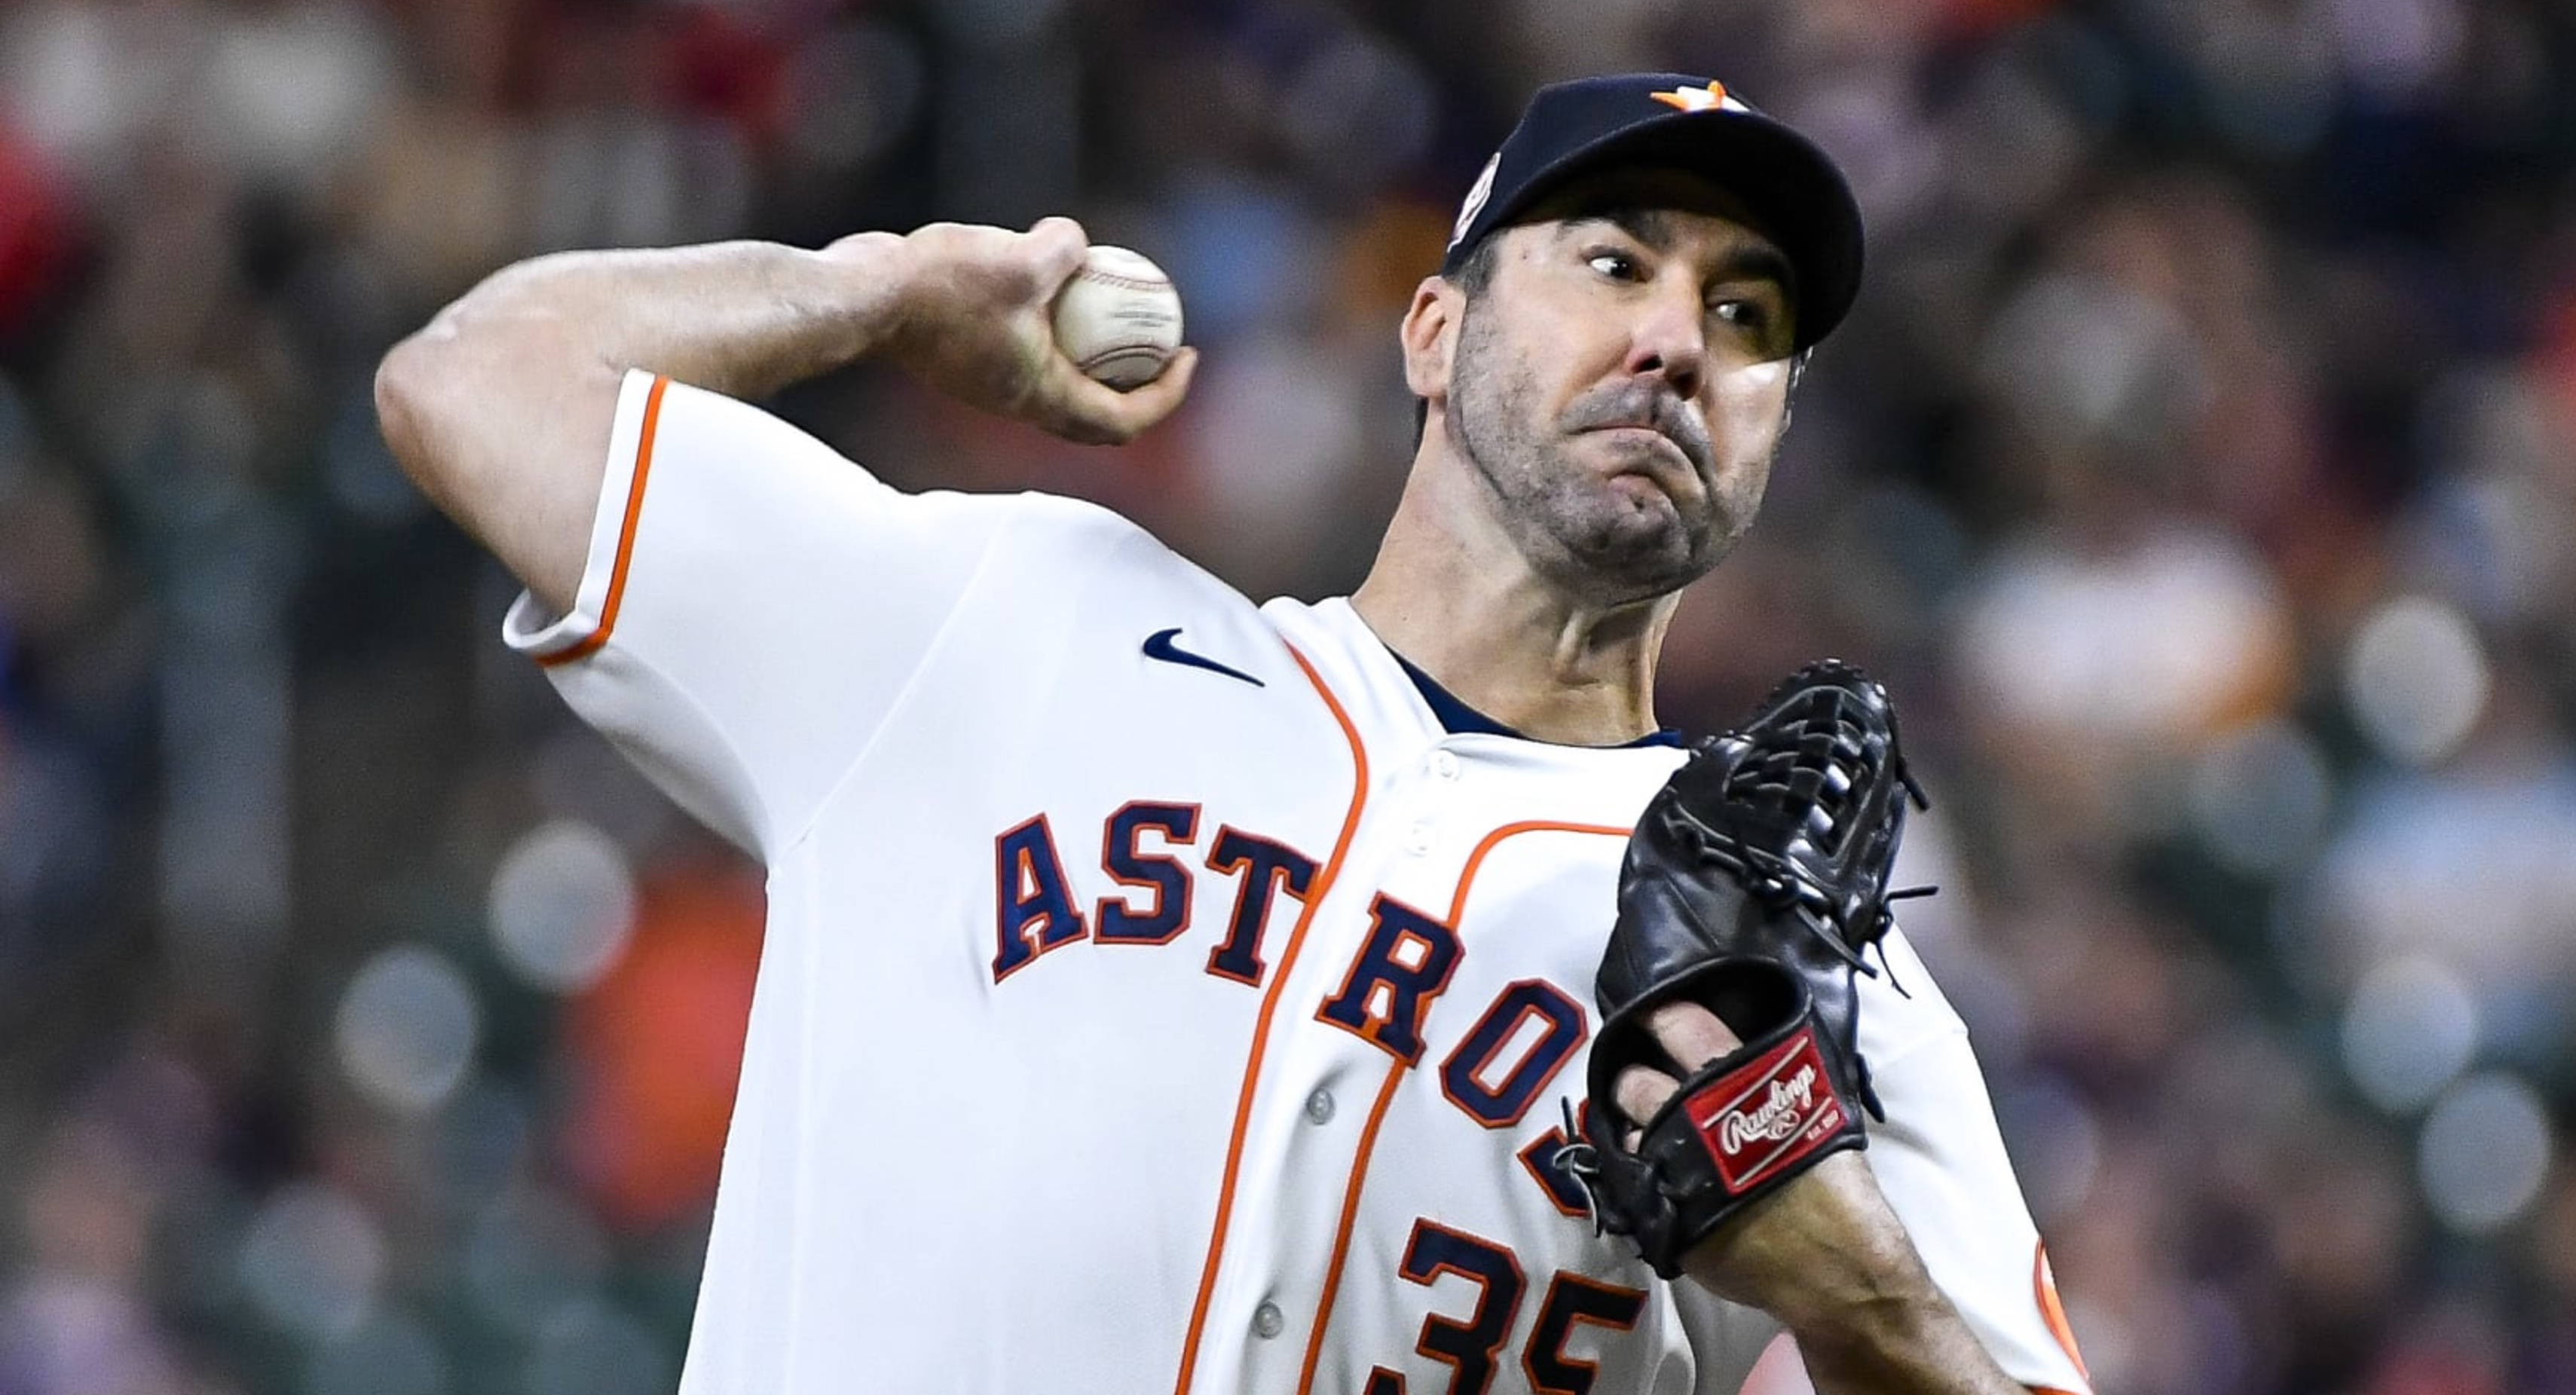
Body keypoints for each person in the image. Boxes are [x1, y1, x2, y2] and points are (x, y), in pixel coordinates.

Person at [375, 72, 2090, 1395]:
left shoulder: (1799, 989)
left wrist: (1852, 1286)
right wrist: (880, 290)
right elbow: (476, 384)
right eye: (1613, 262)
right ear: (1436, 331)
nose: (1671, 341)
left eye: (1747, 319)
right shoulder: (1008, 621)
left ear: (1775, 425)